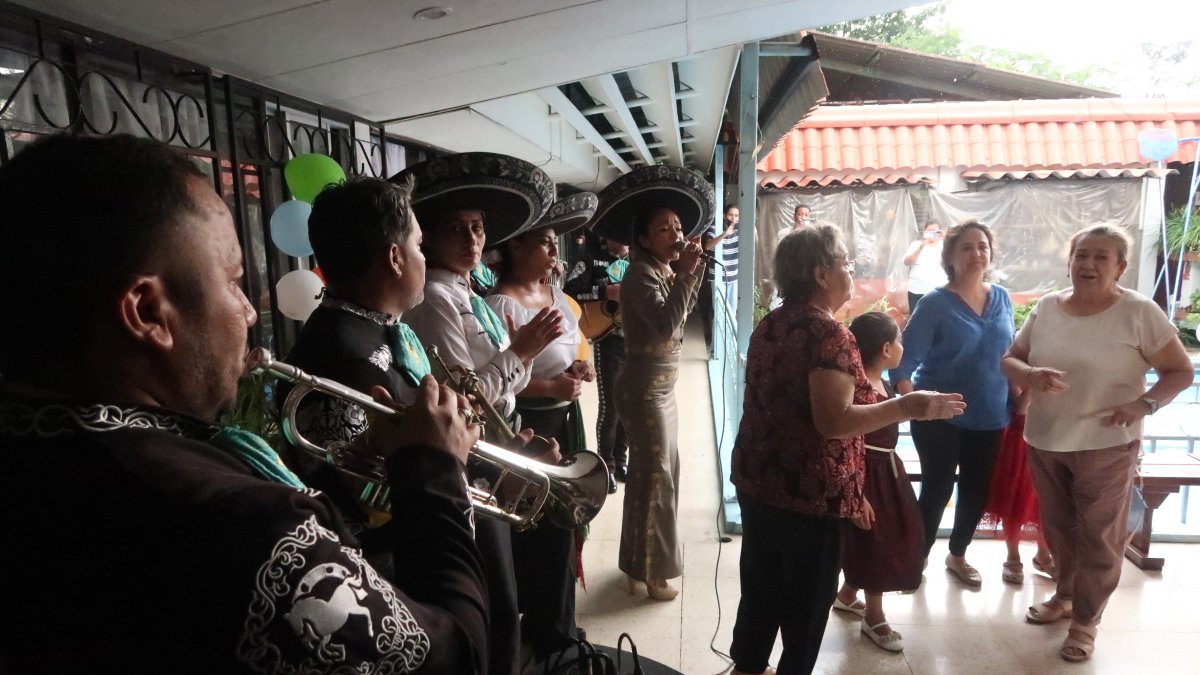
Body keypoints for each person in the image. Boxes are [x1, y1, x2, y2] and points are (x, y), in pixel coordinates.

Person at [0, 133, 487, 673]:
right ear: (146, 312)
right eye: (233, 282)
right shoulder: (249, 525)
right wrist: (437, 474)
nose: (250, 314)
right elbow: (456, 652)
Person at [728, 227, 964, 675]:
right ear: (820, 274)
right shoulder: (829, 334)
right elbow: (833, 422)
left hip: (758, 478)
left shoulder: (773, 321)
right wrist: (908, 405)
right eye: (845, 264)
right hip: (809, 493)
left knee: (762, 584)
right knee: (807, 600)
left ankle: (747, 667)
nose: (850, 272)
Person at [397, 152, 562, 675]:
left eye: (478, 228)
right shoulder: (435, 301)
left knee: (507, 588)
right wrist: (523, 351)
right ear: (428, 238)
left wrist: (518, 360)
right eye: (456, 229)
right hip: (469, 461)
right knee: (494, 599)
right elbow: (463, 396)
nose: (471, 240)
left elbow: (501, 386)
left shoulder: (473, 296)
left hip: (497, 445)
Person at [1001, 225, 1194, 663]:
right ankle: (1066, 595)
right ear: (1069, 262)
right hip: (1046, 439)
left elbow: (1179, 371)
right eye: (1080, 255)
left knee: (1099, 537)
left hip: (1107, 444)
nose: (1087, 264)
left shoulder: (1139, 312)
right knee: (1058, 529)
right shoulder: (1047, 307)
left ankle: (1086, 622)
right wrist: (1029, 376)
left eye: (1101, 257)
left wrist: (1144, 405)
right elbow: (1010, 358)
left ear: (1120, 267)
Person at [591, 164, 714, 601]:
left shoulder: (659, 268)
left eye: (678, 226)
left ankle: (638, 564)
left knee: (659, 474)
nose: (675, 233)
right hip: (644, 391)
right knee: (656, 476)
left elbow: (683, 313)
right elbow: (666, 326)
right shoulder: (639, 274)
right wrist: (684, 272)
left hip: (662, 389)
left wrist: (691, 271)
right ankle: (650, 572)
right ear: (643, 239)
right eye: (664, 228)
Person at [485, 193, 597, 665]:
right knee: (539, 528)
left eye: (555, 245)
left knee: (566, 523)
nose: (555, 254)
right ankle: (547, 629)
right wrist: (552, 384)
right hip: (529, 427)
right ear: (514, 248)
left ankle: (560, 620)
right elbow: (496, 381)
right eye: (546, 244)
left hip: (564, 419)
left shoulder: (556, 296)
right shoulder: (498, 305)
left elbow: (574, 349)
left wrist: (577, 371)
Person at [891, 220, 1014, 588]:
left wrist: (1022, 393)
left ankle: (957, 555)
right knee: (937, 489)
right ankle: (918, 557)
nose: (977, 253)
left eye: (983, 246)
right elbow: (903, 365)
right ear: (950, 256)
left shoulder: (1003, 298)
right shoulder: (934, 303)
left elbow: (1010, 354)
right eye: (967, 247)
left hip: (992, 415)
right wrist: (914, 404)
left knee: (977, 490)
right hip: (939, 418)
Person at [833, 312, 925, 654]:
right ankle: (874, 616)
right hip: (866, 477)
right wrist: (858, 494)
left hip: (887, 472)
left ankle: (846, 595)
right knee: (876, 543)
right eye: (899, 340)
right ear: (886, 349)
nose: (902, 346)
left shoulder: (881, 382)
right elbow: (846, 443)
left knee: (884, 537)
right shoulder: (859, 390)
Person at [564, 233, 630, 488]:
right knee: (611, 406)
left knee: (628, 407)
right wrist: (605, 291)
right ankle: (607, 467)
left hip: (635, 341)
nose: (624, 239)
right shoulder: (590, 259)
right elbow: (570, 291)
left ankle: (621, 461)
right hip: (607, 339)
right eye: (618, 231)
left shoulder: (640, 261)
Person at [980, 388, 1056, 584]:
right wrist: (1034, 381)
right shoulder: (1016, 367)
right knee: (1014, 497)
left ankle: (1043, 555)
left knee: (1045, 499)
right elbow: (1021, 407)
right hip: (1019, 436)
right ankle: (1013, 556)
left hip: (1050, 434)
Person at [902, 221, 948, 312]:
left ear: (939, 232)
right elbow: (907, 262)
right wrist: (920, 248)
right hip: (916, 290)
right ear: (924, 231)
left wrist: (945, 238)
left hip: (939, 290)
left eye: (935, 231)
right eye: (929, 230)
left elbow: (954, 260)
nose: (932, 233)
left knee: (939, 317)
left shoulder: (945, 245)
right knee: (916, 317)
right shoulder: (916, 244)